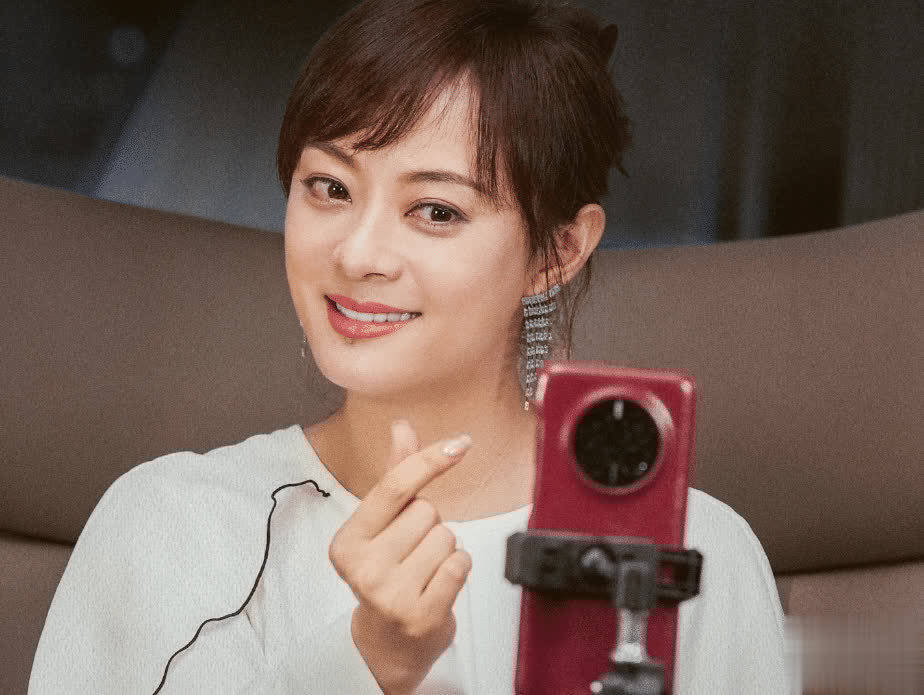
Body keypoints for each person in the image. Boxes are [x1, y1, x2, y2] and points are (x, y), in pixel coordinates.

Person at [28, 0, 788, 693]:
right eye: (330, 188)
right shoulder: (167, 524)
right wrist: (365, 665)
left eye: (435, 211)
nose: (358, 253)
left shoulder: (691, 553)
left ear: (557, 252)